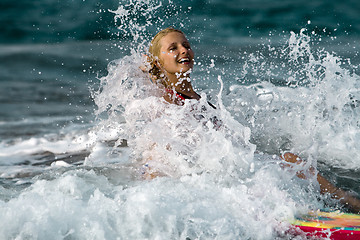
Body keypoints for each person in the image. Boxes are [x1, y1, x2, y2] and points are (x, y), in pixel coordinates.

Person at [142, 27, 360, 213]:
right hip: (214, 178)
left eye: (186, 45)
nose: (184, 50)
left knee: (292, 159)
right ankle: (302, 215)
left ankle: (347, 203)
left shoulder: (199, 99)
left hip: (237, 166)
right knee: (269, 180)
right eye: (173, 48)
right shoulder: (164, 100)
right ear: (159, 62)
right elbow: (157, 147)